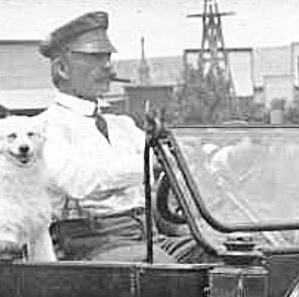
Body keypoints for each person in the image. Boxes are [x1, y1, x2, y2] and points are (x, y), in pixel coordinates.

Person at [38, 11, 196, 262]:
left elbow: (169, 158)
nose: (107, 66)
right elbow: (78, 181)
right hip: (89, 244)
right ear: (62, 68)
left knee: (224, 253)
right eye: (94, 58)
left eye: (108, 57)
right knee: (164, 269)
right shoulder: (44, 128)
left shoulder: (122, 125)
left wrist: (210, 152)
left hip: (148, 237)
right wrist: (151, 163)